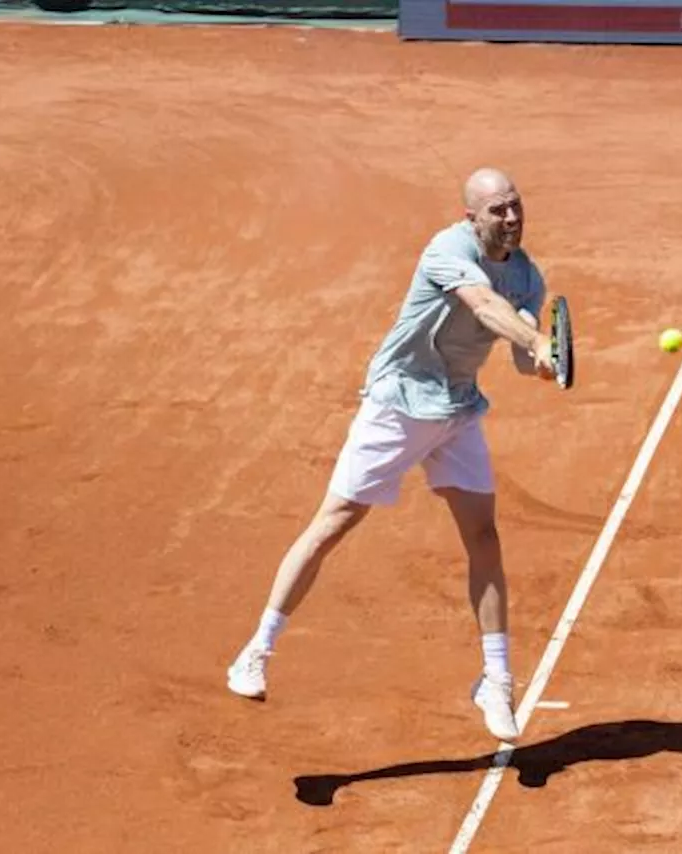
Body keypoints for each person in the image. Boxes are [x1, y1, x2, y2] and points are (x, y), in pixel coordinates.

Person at [226, 167, 556, 744]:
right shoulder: (446, 250)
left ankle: (496, 681)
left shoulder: (528, 277)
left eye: (516, 207)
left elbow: (524, 355)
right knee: (334, 523)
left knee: (484, 538)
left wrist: (544, 354)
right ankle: (256, 651)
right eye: (498, 210)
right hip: (400, 404)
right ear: (471, 218)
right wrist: (534, 340)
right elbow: (481, 306)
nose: (511, 218)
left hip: (456, 410)